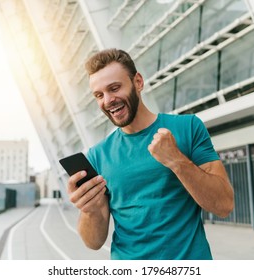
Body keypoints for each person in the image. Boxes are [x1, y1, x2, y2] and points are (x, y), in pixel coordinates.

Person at [67, 48, 234, 260]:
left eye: (115, 88)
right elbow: (93, 242)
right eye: (99, 95)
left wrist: (176, 161)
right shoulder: (97, 155)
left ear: (138, 82)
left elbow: (224, 205)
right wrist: (89, 209)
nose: (108, 100)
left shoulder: (188, 127)